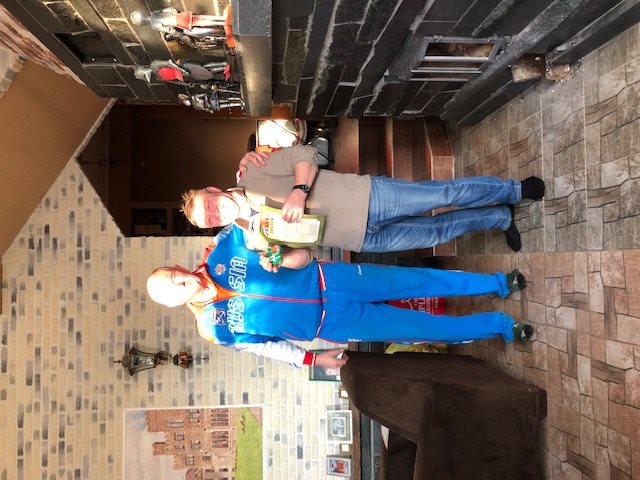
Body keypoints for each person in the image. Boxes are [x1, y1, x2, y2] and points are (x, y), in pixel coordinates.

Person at [146, 224, 534, 369]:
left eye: (174, 276)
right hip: (331, 323)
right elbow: (268, 348)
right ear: (172, 306)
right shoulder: (213, 329)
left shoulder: (222, 247)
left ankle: (498, 282)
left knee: (417, 281)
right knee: (424, 328)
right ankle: (502, 327)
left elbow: (268, 230)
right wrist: (315, 358)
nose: (181, 284)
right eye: (173, 291)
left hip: (333, 280)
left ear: (177, 267)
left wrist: (280, 251)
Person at [180, 145, 545, 253]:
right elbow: (304, 256)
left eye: (208, 205)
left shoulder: (253, 172)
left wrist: (299, 191)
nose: (215, 213)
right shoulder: (252, 238)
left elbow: (306, 155)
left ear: (214, 190)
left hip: (370, 198)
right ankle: (500, 218)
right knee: (437, 232)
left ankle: (514, 190)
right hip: (362, 240)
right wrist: (281, 261)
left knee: (444, 193)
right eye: (209, 220)